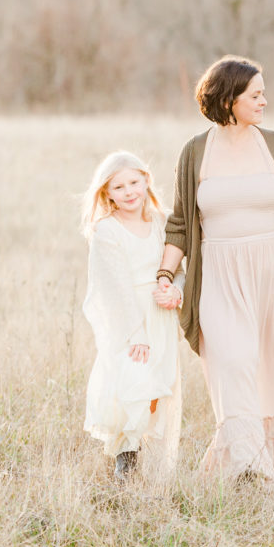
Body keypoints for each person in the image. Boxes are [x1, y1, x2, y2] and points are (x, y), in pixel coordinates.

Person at [157, 55, 274, 490]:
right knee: (231, 363)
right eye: (256, 95)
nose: (265, 101)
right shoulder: (195, 151)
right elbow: (179, 223)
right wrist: (164, 274)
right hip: (218, 273)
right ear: (229, 99)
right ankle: (254, 469)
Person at [81, 151, 183, 480]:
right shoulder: (107, 230)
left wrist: (175, 291)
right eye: (119, 187)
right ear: (106, 193)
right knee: (133, 386)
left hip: (160, 315)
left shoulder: (161, 222)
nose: (129, 192)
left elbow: (177, 267)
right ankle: (126, 462)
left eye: (134, 183)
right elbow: (116, 288)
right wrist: (134, 332)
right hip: (129, 322)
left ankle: (141, 457)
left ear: (146, 181)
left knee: (156, 389)